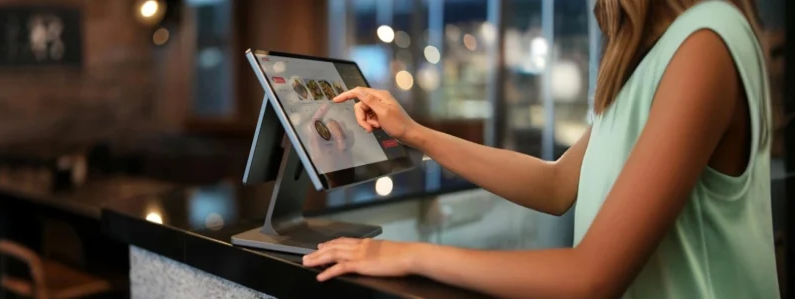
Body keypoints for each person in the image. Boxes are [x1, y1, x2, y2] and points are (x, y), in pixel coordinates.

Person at [302, 1, 780, 298]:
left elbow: (592, 277)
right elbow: (556, 184)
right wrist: (415, 133)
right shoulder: (652, 61)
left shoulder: (705, 38)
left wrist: (406, 255)